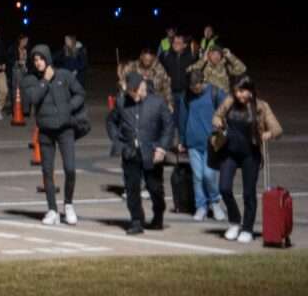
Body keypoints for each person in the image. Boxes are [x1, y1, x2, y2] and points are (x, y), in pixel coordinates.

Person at [212, 76, 283, 243]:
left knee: (248, 193)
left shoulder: (261, 107)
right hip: (229, 152)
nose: (240, 95)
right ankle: (235, 222)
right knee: (224, 188)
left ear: (250, 91)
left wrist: (268, 133)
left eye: (243, 91)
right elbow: (216, 116)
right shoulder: (229, 101)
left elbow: (277, 129)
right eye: (237, 91)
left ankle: (247, 228)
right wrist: (219, 123)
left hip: (250, 155)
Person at [23, 44, 85, 226]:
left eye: (41, 58)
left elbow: (80, 93)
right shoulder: (30, 79)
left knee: (70, 168)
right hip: (45, 131)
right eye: (35, 59)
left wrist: (68, 108)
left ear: (48, 59)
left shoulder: (64, 75)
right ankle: (52, 209)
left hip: (65, 130)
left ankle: (69, 205)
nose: (38, 62)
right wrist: (45, 81)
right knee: (47, 171)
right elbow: (33, 98)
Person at [106, 72, 172, 235]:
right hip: (130, 152)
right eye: (130, 93)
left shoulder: (157, 102)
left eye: (135, 92)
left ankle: (158, 215)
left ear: (142, 87)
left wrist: (162, 148)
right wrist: (118, 142)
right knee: (132, 189)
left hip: (152, 153)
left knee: (155, 188)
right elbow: (111, 122)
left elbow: (168, 127)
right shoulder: (122, 102)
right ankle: (136, 220)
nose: (133, 96)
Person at [177, 70, 226, 222]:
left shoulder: (216, 93)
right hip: (193, 142)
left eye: (197, 87)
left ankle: (215, 202)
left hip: (212, 143)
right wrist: (182, 140)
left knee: (209, 175)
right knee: (197, 177)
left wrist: (223, 134)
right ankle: (201, 206)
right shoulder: (186, 96)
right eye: (192, 87)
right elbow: (182, 118)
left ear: (203, 81)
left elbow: (226, 113)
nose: (195, 90)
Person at [159, 34, 197, 113]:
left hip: (185, 93)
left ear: (184, 45)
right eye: (174, 42)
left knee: (183, 119)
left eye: (179, 43)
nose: (175, 44)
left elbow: (198, 68)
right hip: (170, 93)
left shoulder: (190, 56)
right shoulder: (166, 55)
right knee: (171, 117)